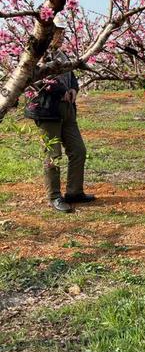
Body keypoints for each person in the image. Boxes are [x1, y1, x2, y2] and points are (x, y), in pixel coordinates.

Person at [24, 14, 95, 213]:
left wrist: (73, 89)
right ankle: (54, 196)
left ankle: (74, 192)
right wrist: (60, 91)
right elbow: (35, 80)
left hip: (68, 111)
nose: (61, 35)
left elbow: (71, 74)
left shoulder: (60, 54)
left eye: (63, 32)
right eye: (58, 32)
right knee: (53, 155)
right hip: (47, 111)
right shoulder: (35, 54)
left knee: (78, 150)